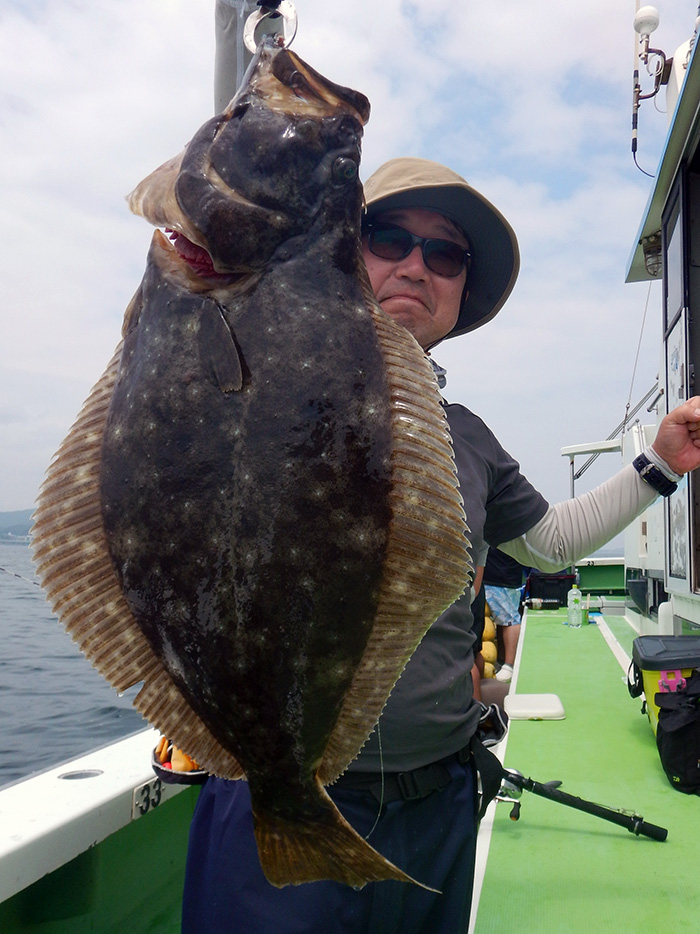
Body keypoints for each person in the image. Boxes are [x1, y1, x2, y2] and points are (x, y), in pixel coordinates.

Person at [181, 7, 700, 931]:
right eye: (390, 240)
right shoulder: (253, 383)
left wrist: (659, 466)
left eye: (445, 253)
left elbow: (542, 547)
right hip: (278, 798)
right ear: (345, 252)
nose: (417, 264)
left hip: (433, 808)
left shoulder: (466, 435)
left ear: (462, 290)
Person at [483, 547, 529, 683]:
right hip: (492, 573)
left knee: (509, 620)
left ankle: (510, 665)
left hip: (501, 575)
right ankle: (502, 661)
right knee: (502, 621)